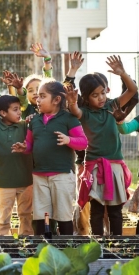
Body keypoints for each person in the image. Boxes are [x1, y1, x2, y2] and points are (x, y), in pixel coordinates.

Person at [65, 55, 138, 236]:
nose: (101, 98)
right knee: (96, 210)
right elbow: (74, 108)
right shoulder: (85, 113)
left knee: (115, 210)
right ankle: (98, 243)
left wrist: (122, 74)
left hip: (114, 166)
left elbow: (133, 89)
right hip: (94, 167)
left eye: (103, 93)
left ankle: (117, 243)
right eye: (95, 95)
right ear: (86, 98)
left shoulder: (113, 106)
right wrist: (72, 76)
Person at [12, 79, 88, 235]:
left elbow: (83, 143)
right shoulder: (35, 121)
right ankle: (43, 248)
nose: (37, 100)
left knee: (63, 214)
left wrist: (68, 140)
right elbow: (30, 144)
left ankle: (66, 246)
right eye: (38, 96)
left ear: (56, 100)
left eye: (42, 96)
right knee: (40, 215)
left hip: (62, 175)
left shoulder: (68, 119)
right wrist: (25, 147)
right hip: (39, 175)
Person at [0, 95, 34, 235]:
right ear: (3, 113)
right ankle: (4, 248)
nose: (19, 112)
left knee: (27, 216)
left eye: (19, 109)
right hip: (3, 182)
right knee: (3, 219)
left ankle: (27, 246)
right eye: (15, 110)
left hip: (26, 181)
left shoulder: (24, 126)